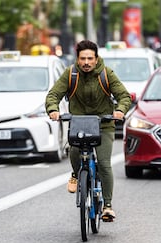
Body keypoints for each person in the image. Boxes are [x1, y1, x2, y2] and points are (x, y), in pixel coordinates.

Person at [45, 40, 131, 222]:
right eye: (83, 58)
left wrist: (120, 111)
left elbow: (123, 96)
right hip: (79, 123)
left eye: (90, 58)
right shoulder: (71, 74)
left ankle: (107, 206)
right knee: (74, 152)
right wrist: (53, 109)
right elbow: (54, 95)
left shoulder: (106, 74)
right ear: (77, 59)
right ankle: (76, 174)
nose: (86, 62)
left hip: (104, 123)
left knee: (104, 163)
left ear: (96, 58)